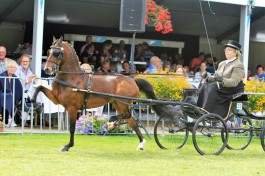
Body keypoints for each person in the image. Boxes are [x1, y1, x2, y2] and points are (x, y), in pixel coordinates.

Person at [197, 40, 245, 118]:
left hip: (232, 90)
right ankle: (200, 108)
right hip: (222, 88)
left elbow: (233, 82)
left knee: (213, 86)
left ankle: (207, 111)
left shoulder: (238, 65)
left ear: (235, 52)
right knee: (206, 84)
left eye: (229, 50)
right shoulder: (222, 63)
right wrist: (210, 78)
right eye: (225, 49)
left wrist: (221, 79)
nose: (226, 51)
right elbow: (217, 76)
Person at [0, 60, 23, 127]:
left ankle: (8, 120)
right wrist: (11, 93)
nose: (12, 69)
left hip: (9, 96)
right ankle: (9, 119)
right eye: (11, 67)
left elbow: (19, 88)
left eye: (14, 67)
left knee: (10, 97)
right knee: (8, 96)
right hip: (1, 94)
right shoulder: (3, 75)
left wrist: (18, 96)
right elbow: (5, 88)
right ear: (7, 67)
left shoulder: (15, 77)